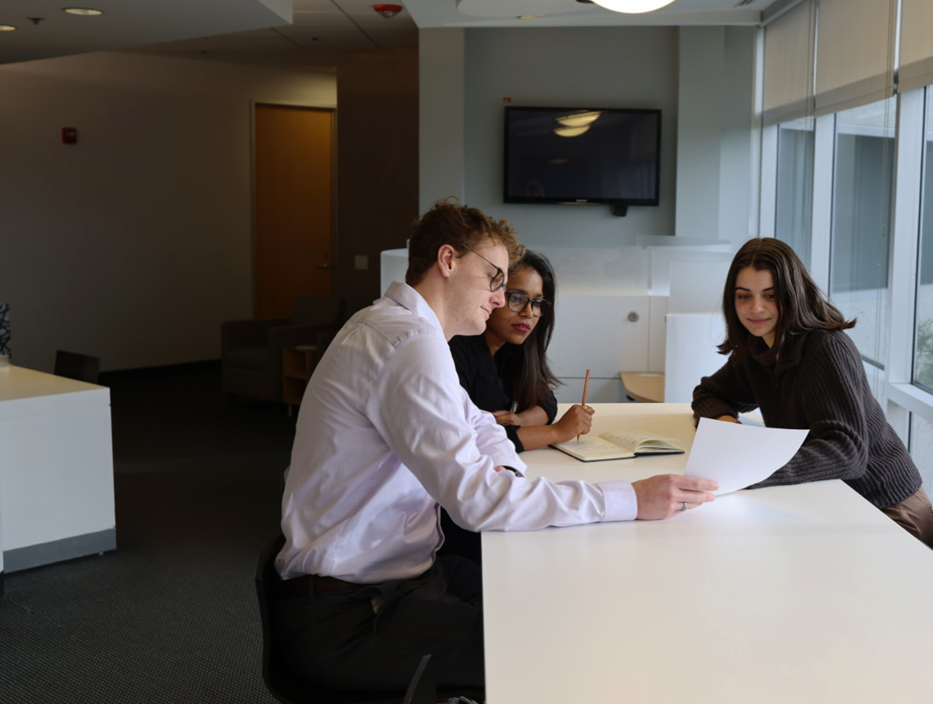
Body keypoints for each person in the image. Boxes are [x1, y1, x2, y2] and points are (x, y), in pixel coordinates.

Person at [275, 200, 717, 702]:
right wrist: (631, 499)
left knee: (555, 593)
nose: (499, 297)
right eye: (494, 279)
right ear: (448, 260)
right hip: (354, 616)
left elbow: (481, 426)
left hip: (391, 582)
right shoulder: (407, 343)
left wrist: (507, 478)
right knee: (562, 643)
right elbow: (479, 503)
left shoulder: (398, 327)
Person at [691, 237, 933, 546]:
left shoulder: (826, 349)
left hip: (889, 510)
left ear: (793, 294)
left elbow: (848, 452)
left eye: (770, 295)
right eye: (744, 296)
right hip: (833, 502)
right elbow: (709, 394)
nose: (756, 308)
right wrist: (728, 428)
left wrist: (750, 468)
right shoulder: (758, 348)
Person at [449, 250, 590, 453]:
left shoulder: (511, 348)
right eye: (517, 298)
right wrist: (557, 432)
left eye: (537, 303)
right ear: (493, 295)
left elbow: (546, 401)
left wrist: (521, 419)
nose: (528, 313)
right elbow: (473, 440)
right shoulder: (456, 348)